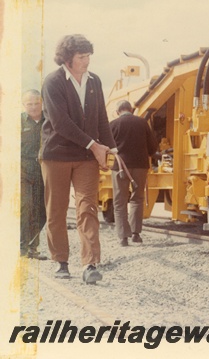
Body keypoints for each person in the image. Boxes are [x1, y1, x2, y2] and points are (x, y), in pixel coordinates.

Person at [40, 34, 115, 284]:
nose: (87, 61)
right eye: (82, 57)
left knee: (87, 208)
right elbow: (61, 123)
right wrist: (94, 145)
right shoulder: (53, 82)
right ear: (68, 59)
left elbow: (101, 117)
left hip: (85, 157)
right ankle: (61, 261)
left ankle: (90, 263)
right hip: (56, 155)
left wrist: (111, 147)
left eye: (88, 56)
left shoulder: (95, 81)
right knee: (57, 210)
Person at [110, 100, 158, 246]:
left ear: (118, 111)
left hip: (120, 167)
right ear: (131, 110)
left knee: (120, 201)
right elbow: (152, 147)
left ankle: (123, 237)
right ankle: (136, 234)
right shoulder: (142, 123)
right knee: (137, 198)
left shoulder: (113, 124)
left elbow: (107, 146)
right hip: (140, 166)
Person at [20, 89, 48, 260]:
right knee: (25, 207)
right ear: (24, 105)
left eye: (36, 103)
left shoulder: (50, 121)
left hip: (44, 170)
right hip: (23, 171)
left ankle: (33, 247)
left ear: (42, 103)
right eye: (29, 104)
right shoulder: (18, 121)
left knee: (42, 211)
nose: (33, 107)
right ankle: (21, 247)